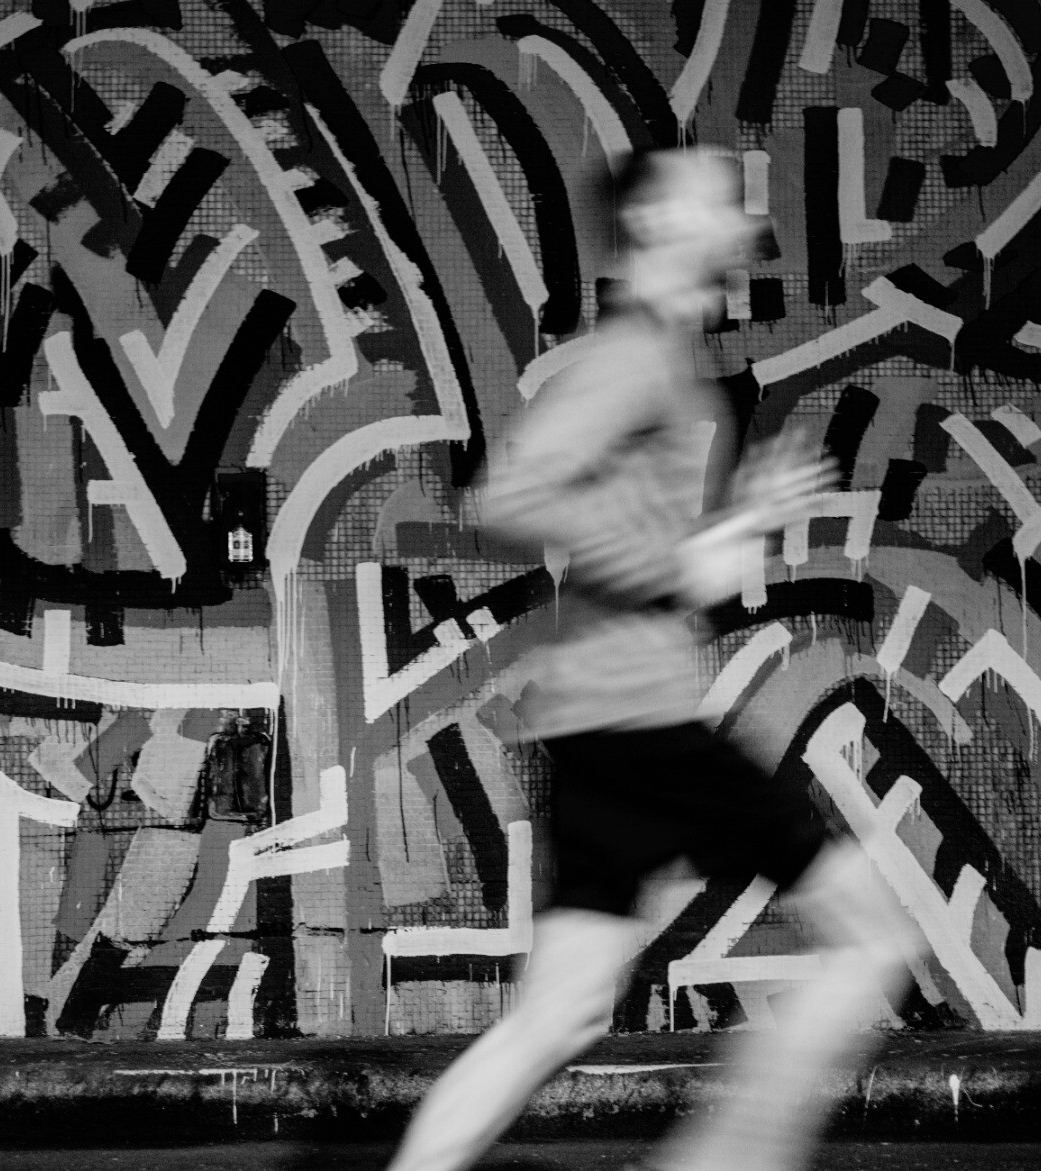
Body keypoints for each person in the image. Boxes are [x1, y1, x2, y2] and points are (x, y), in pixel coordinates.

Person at [383, 148, 921, 1171]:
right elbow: (500, 496)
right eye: (717, 198)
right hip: (637, 728)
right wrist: (675, 548)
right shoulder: (631, 359)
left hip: (605, 725)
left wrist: (737, 526)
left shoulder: (667, 362)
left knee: (558, 1019)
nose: (742, 212)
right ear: (665, 225)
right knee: (872, 940)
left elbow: (662, 569)